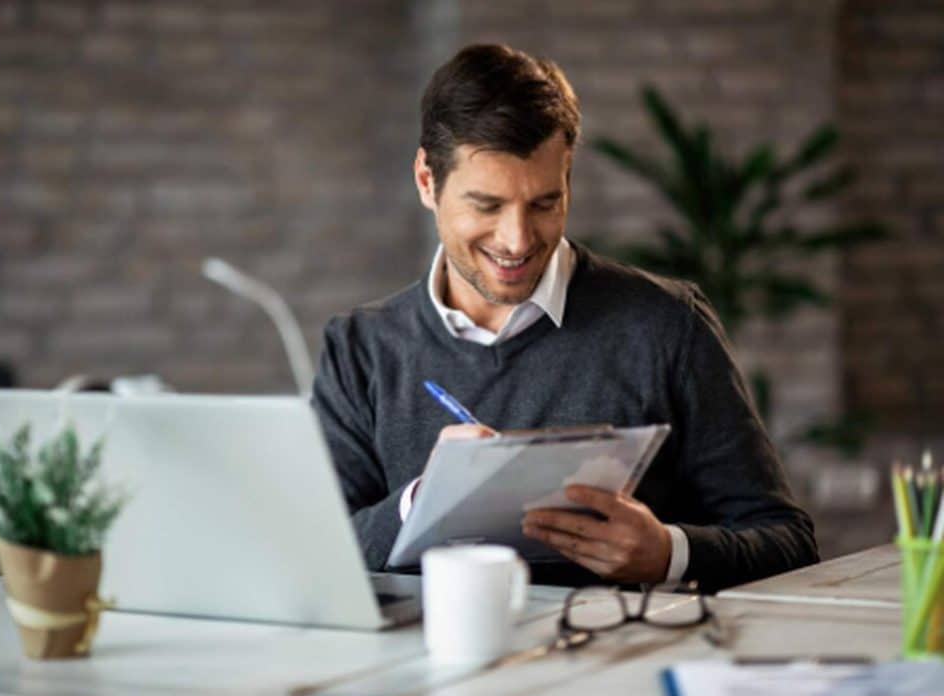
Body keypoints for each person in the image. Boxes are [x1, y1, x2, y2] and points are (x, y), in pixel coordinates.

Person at [312, 43, 818, 592]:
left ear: (568, 179)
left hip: (617, 666)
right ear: (426, 181)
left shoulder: (668, 325)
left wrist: (669, 554)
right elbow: (314, 551)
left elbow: (788, 542)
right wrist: (421, 502)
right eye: (487, 206)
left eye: (544, 203)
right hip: (434, 670)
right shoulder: (360, 347)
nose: (518, 239)